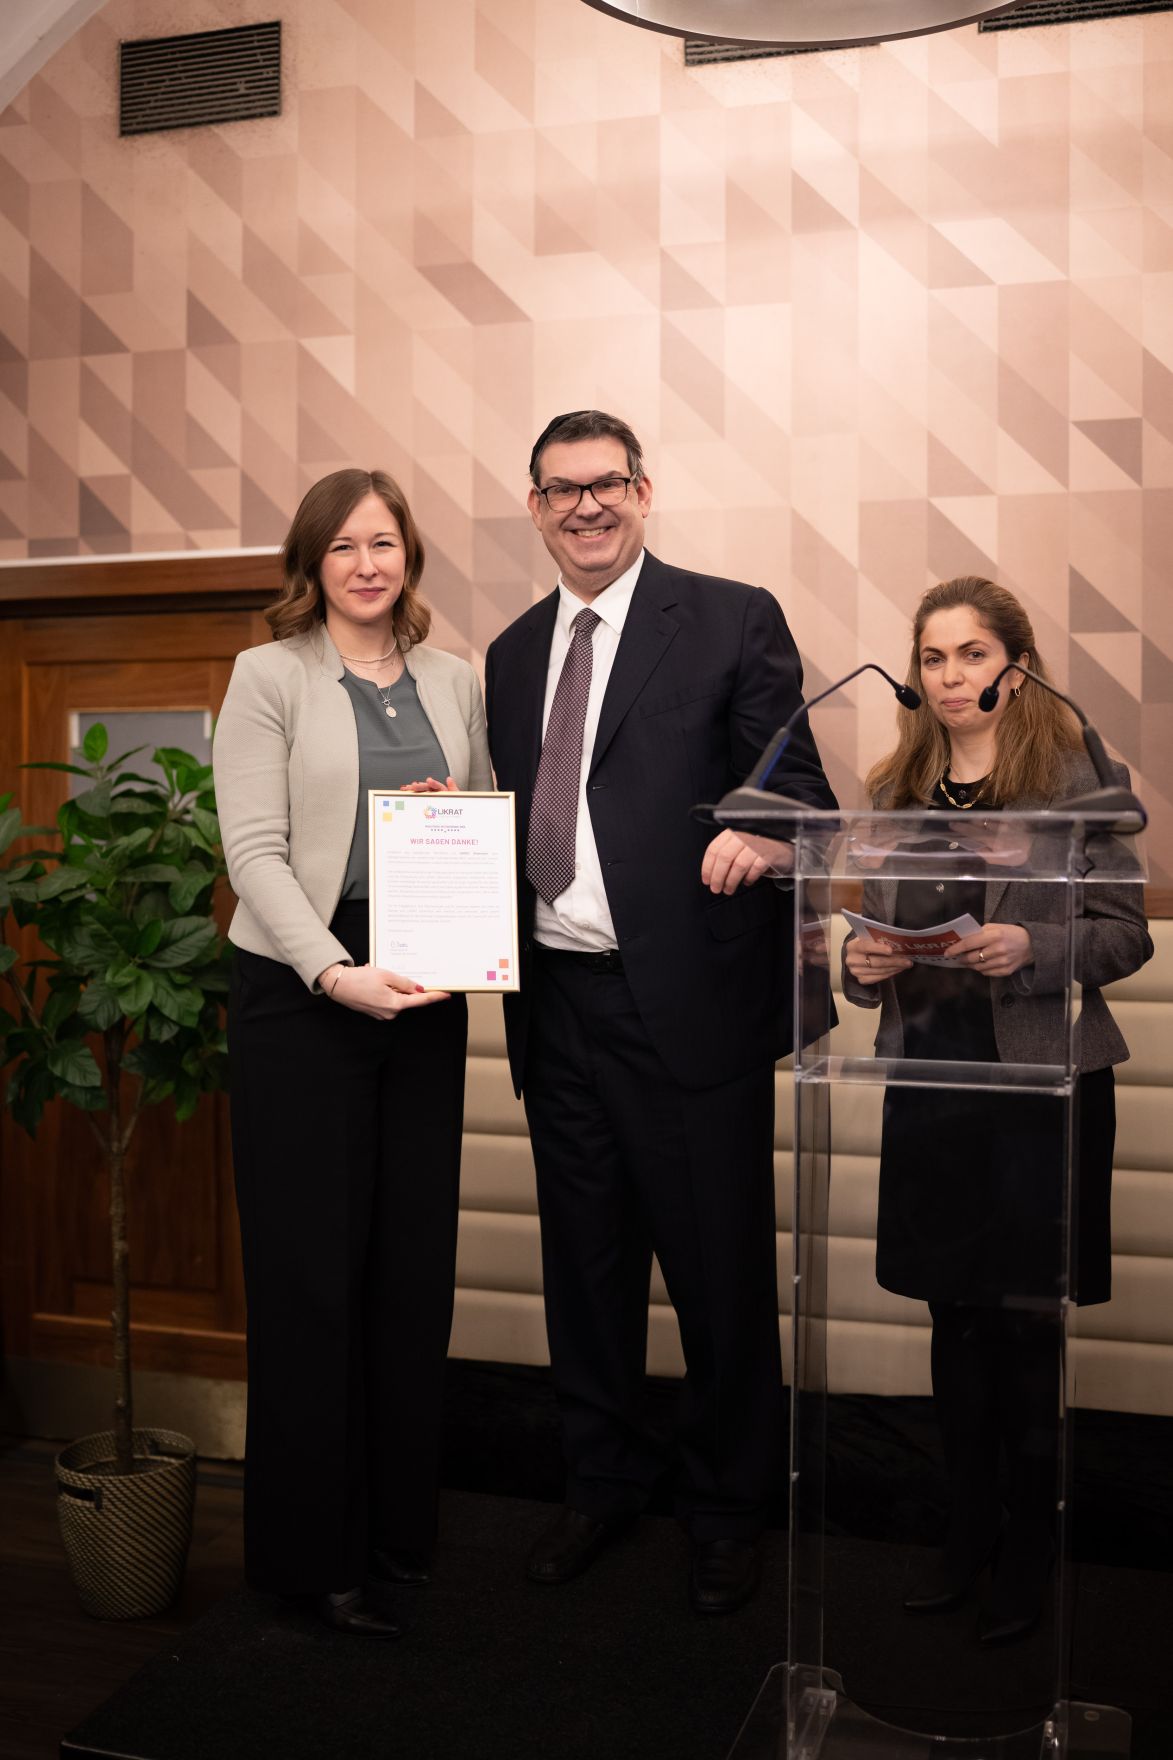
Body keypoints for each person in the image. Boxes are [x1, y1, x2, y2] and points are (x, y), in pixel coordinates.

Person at [484, 409, 837, 1614]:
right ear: (534, 507)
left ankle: (728, 1507)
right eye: (561, 489)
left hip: (684, 1008)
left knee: (718, 1271)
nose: (586, 506)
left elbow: (801, 787)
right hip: (556, 1002)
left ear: (645, 491)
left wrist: (760, 827)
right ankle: (601, 1483)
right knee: (582, 1270)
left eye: (607, 484)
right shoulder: (512, 651)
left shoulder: (732, 616)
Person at [843, 575, 1152, 1645]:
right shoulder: (894, 789)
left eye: (971, 654)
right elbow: (864, 945)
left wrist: (1035, 949)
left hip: (1039, 1087)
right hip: (932, 1082)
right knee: (951, 1314)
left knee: (1024, 1324)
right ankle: (964, 1529)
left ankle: (1031, 1545)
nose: (950, 676)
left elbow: (1126, 931)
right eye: (933, 657)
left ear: (1014, 665)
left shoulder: (1074, 780)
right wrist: (862, 958)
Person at [214, 468, 492, 1636]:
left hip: (423, 982)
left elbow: (477, 813)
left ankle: (395, 1532)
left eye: (385, 542)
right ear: (312, 564)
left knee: (410, 1266)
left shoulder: (455, 677)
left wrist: (442, 804)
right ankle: (307, 1556)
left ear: (408, 556)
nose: (367, 563)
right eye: (344, 547)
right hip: (299, 988)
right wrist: (333, 969)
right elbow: (256, 850)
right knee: (312, 1278)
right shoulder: (267, 675)